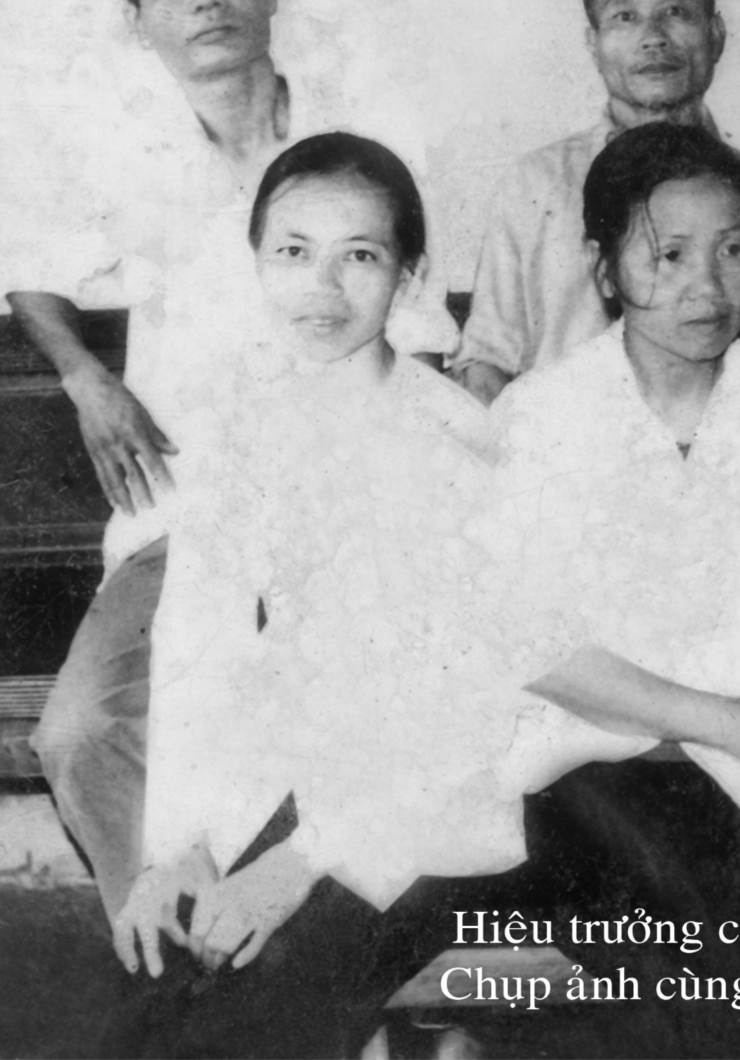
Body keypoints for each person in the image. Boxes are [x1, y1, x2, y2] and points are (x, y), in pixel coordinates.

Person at [10, 0, 454, 928]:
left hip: (350, 515)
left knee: (338, 729)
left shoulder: (360, 143)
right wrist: (87, 378)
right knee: (79, 729)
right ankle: (176, 940)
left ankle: (283, 945)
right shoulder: (134, 160)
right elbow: (30, 276)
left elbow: (429, 341)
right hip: (189, 519)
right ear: (138, 19)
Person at [108, 134, 524, 1059]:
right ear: (257, 260)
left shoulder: (452, 446)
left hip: (414, 823)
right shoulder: (241, 423)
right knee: (147, 1002)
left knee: (237, 1027)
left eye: (360, 256)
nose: (323, 288)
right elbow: (196, 648)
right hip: (285, 795)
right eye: (294, 251)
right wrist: (181, 846)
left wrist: (301, 861)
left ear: (410, 276)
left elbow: (468, 712)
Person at [477, 122, 740, 951]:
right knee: (724, 945)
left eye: (734, 250)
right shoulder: (541, 415)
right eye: (670, 255)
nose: (708, 286)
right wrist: (732, 723)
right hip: (591, 777)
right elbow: (527, 640)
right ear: (604, 270)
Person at [453, 0, 740, 404]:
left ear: (716, 34)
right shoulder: (536, 184)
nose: (654, 37)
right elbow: (485, 365)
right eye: (625, 16)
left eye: (676, 11)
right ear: (593, 44)